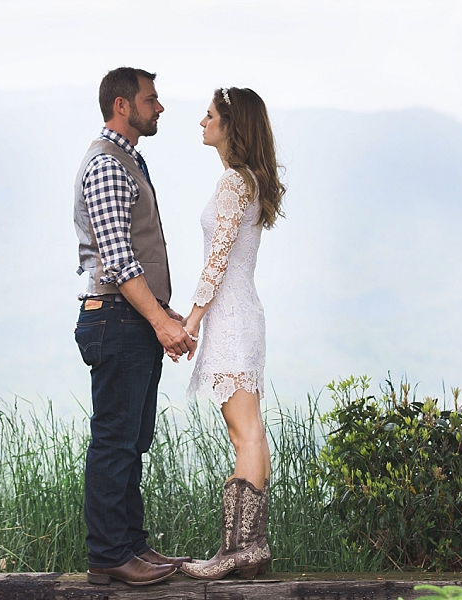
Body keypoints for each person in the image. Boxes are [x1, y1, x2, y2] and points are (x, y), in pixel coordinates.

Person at [73, 67, 196, 586]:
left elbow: (133, 258)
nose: (160, 107)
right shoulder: (105, 164)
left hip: (133, 320)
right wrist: (161, 323)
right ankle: (107, 555)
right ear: (122, 105)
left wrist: (165, 317)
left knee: (132, 438)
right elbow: (120, 262)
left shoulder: (127, 159)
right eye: (152, 98)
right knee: (115, 439)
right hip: (116, 320)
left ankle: (130, 546)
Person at [177, 87, 286, 580]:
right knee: (249, 431)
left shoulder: (231, 184)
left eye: (210, 115)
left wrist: (190, 322)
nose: (202, 121)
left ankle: (238, 550)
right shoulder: (248, 180)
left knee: (244, 434)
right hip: (244, 314)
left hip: (230, 317)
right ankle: (250, 548)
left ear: (230, 125)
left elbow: (216, 260)